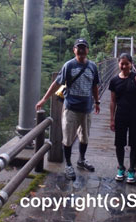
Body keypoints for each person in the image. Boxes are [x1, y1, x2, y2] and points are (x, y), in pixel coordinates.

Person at [35, 38, 100, 180]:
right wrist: (44, 98)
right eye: (79, 47)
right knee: (68, 138)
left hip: (86, 108)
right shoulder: (69, 66)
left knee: (85, 136)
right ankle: (69, 164)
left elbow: (95, 86)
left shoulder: (93, 67)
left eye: (84, 47)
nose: (82, 50)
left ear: (87, 50)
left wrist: (97, 102)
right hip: (71, 108)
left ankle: (81, 160)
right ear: (74, 50)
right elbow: (57, 83)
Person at [109, 53, 136, 184]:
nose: (124, 66)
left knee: (134, 144)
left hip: (135, 115)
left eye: (127, 64)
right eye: (121, 63)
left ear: (131, 64)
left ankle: (131, 170)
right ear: (118, 64)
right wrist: (111, 119)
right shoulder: (114, 80)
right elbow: (112, 101)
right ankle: (121, 168)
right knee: (119, 143)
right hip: (120, 115)